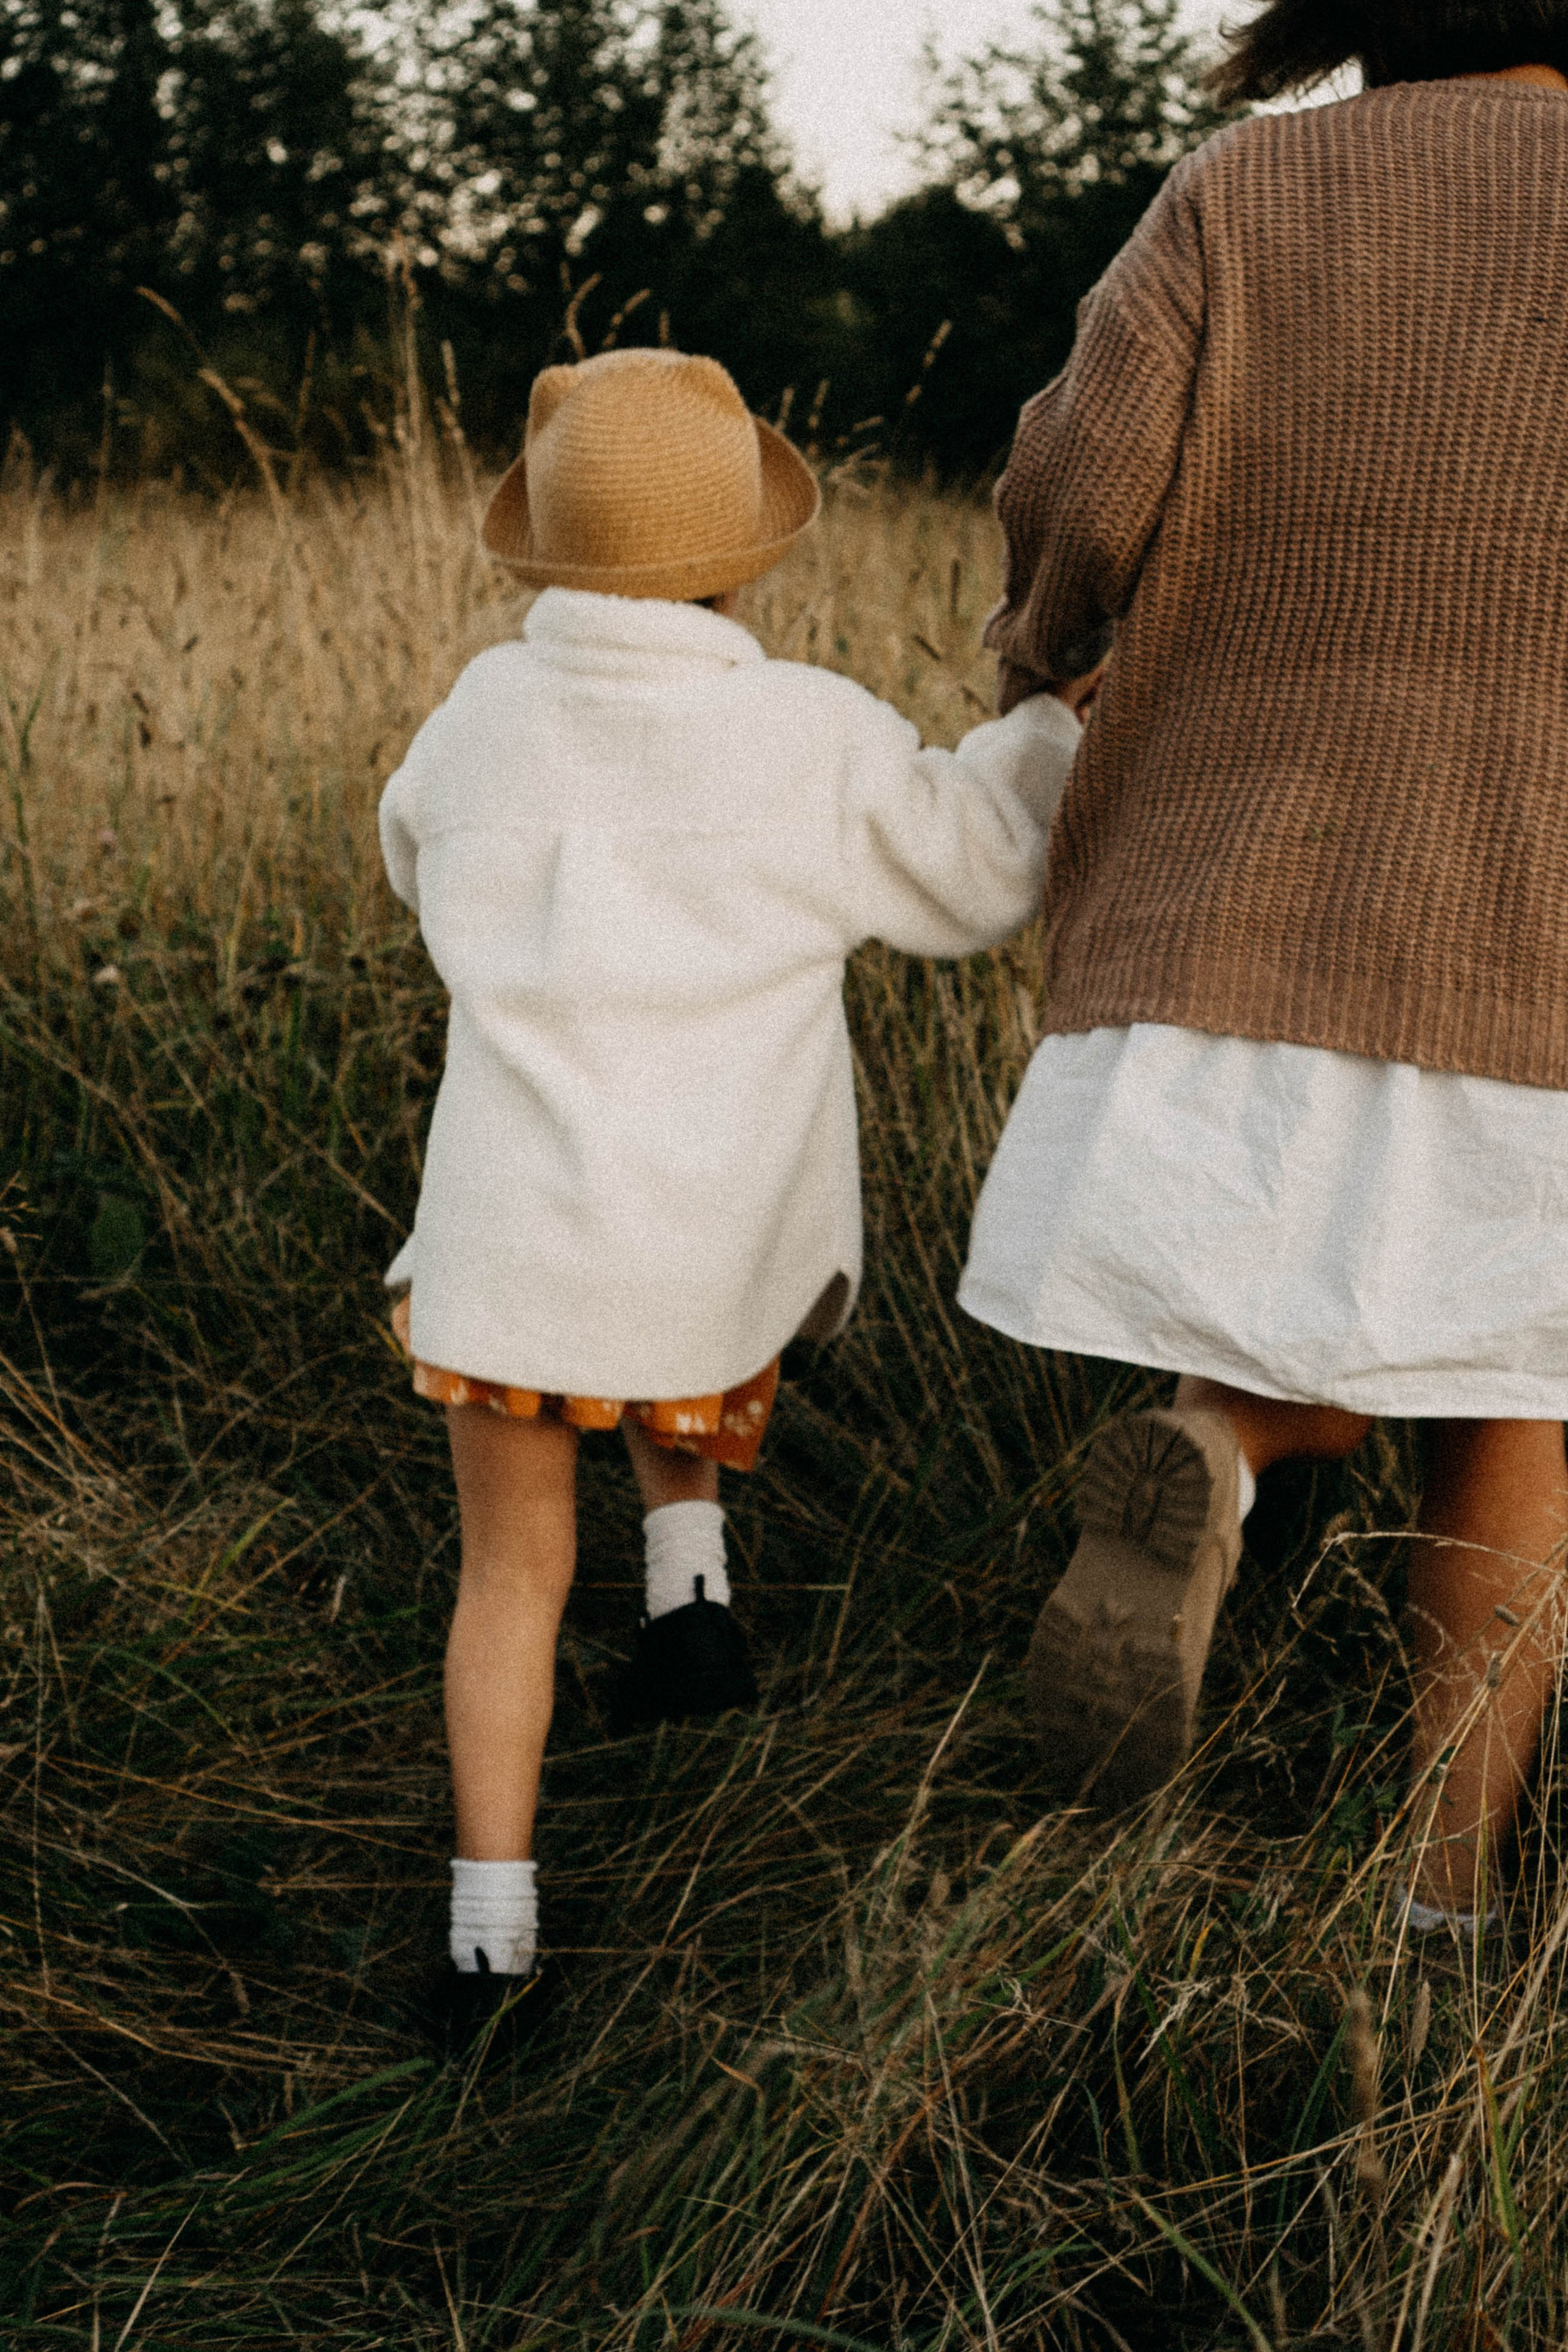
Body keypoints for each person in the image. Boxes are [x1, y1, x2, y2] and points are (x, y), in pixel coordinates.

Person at [380, 345, 1094, 2040]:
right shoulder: (805, 736)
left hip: (508, 1238)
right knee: (677, 1326)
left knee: (511, 1577)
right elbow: (980, 873)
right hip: (706, 1241)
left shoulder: (481, 717)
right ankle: (691, 1596)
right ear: (742, 556)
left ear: (553, 549)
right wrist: (1049, 725)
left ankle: (490, 1937)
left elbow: (414, 858)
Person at [959, 0, 1568, 1936]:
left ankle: (1216, 1455)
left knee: (1285, 1304)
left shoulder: (1248, 187)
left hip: (1239, 878)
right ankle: (1445, 1897)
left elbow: (1085, 479)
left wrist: (1045, 650)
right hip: (1542, 899)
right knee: (1520, 1390)